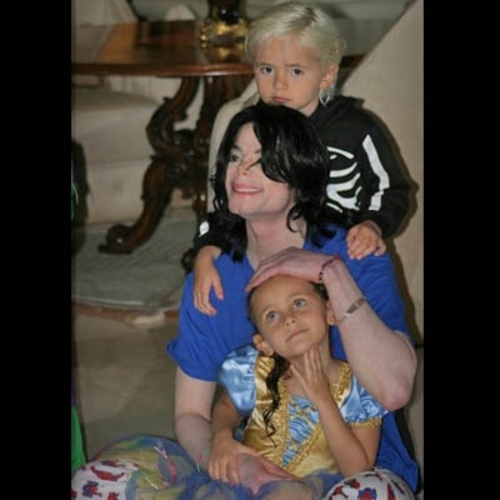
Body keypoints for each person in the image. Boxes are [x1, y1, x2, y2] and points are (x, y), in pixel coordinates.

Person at [71, 103, 419, 498]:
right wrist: (223, 455)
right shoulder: (211, 280)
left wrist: (331, 274)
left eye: (262, 159)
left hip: (355, 473)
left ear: (300, 174)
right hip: (247, 459)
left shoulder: (357, 253)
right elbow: (190, 413)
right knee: (94, 483)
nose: (241, 170)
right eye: (235, 157)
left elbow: (393, 390)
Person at [191, 1, 412, 316]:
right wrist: (205, 249)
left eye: (296, 71)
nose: (279, 84)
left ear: (327, 74)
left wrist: (373, 224)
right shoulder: (249, 130)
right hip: (267, 262)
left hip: (343, 257)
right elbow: (223, 205)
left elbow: (393, 190)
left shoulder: (355, 129)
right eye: (266, 69)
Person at [208, 272, 415, 498]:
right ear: (263, 342)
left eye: (299, 303)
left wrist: (322, 398)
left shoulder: (359, 386)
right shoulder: (257, 371)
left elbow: (357, 470)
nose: (289, 318)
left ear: (330, 311)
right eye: (272, 315)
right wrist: (222, 436)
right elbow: (226, 408)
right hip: (247, 484)